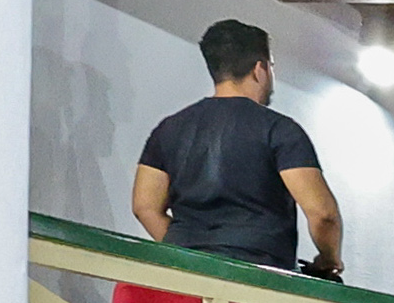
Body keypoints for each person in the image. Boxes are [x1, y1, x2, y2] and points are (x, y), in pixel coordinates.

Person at [131, 18, 343, 274]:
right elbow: (323, 214)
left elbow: (144, 206)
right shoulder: (279, 130)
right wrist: (329, 259)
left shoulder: (168, 129)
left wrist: (188, 252)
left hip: (185, 279)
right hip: (259, 280)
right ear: (259, 69)